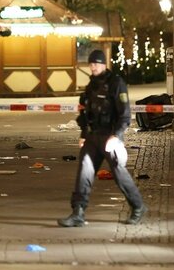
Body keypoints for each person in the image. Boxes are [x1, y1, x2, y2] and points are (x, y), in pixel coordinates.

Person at [58, 49, 147, 227]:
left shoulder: (116, 83)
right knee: (84, 173)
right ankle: (78, 212)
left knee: (119, 172)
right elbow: (85, 112)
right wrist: (83, 134)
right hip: (92, 136)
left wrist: (117, 135)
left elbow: (124, 113)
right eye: (91, 64)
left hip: (109, 136)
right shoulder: (92, 85)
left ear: (104, 64)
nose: (93, 67)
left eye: (96, 64)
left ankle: (138, 207)